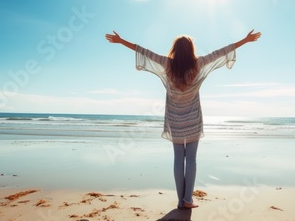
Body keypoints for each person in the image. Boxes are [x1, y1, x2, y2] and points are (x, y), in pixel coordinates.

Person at [105, 29, 261, 209]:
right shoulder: (199, 63)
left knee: (178, 160)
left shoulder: (167, 64)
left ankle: (181, 201)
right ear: (190, 49)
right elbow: (223, 51)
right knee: (192, 160)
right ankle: (188, 200)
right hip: (193, 119)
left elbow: (143, 51)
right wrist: (245, 40)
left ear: (175, 50)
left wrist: (121, 40)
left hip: (175, 120)